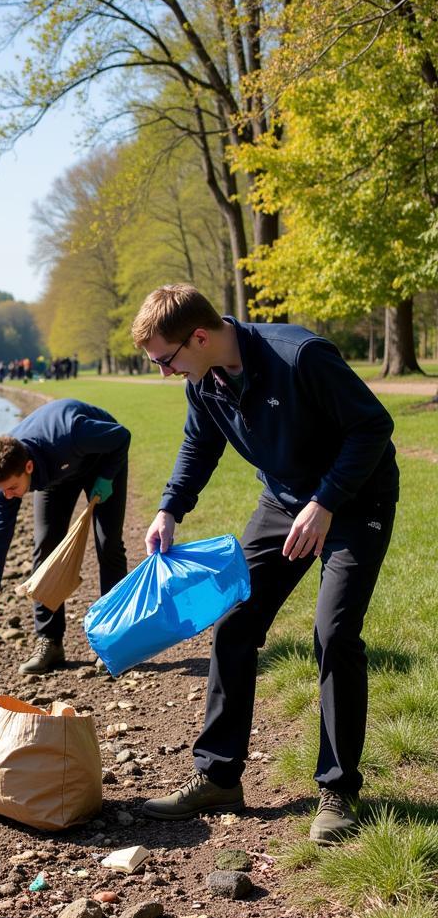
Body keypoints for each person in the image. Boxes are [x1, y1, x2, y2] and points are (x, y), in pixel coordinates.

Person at [132, 284, 398, 844]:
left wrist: (325, 504)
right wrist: (169, 509)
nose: (163, 372)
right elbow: (198, 446)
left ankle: (339, 789)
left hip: (354, 501)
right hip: (283, 502)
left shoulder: (299, 355)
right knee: (234, 619)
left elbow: (372, 427)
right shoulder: (205, 381)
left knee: (334, 633)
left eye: (165, 359)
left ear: (199, 337)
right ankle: (218, 776)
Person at [0, 398, 131, 673]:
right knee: (45, 548)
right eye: (3, 491)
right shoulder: (7, 476)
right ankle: (50, 642)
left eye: (13, 488)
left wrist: (106, 477)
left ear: (28, 468)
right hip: (56, 474)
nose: (8, 496)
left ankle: (114, 641)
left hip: (101, 459)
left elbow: (121, 436)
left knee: (108, 545)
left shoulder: (71, 433)